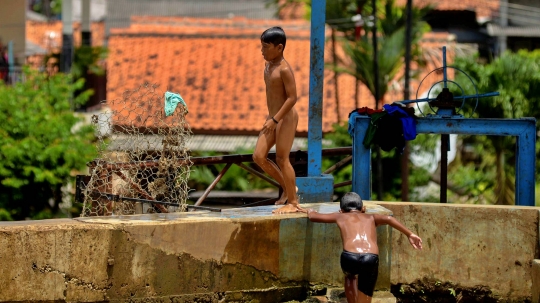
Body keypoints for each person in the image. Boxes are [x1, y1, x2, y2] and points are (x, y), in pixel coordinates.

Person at [302, 192, 422, 303]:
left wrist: (310, 211)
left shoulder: (339, 216)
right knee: (366, 289)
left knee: (350, 276)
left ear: (341, 210)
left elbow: (313, 217)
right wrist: (410, 234)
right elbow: (389, 219)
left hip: (349, 256)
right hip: (370, 257)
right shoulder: (371, 217)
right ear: (363, 209)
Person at [253, 27, 301, 214]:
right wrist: (271, 118)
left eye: (266, 47)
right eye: (261, 46)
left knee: (282, 158)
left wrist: (275, 119)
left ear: (279, 47)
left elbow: (292, 98)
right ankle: (289, 190)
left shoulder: (284, 69)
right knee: (258, 156)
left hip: (285, 117)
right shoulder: (268, 65)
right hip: (272, 117)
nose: (262, 51)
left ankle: (294, 202)